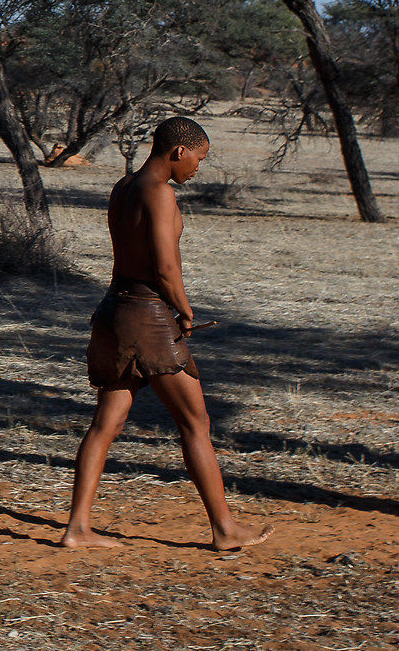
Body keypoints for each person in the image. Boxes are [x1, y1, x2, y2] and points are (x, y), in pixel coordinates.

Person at [60, 116, 274, 552]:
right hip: (148, 317)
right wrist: (185, 309)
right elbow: (164, 266)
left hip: (113, 310)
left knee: (106, 423)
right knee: (196, 422)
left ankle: (77, 528)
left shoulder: (123, 188)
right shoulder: (160, 193)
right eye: (199, 158)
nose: (198, 168)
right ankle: (225, 529)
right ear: (179, 151)